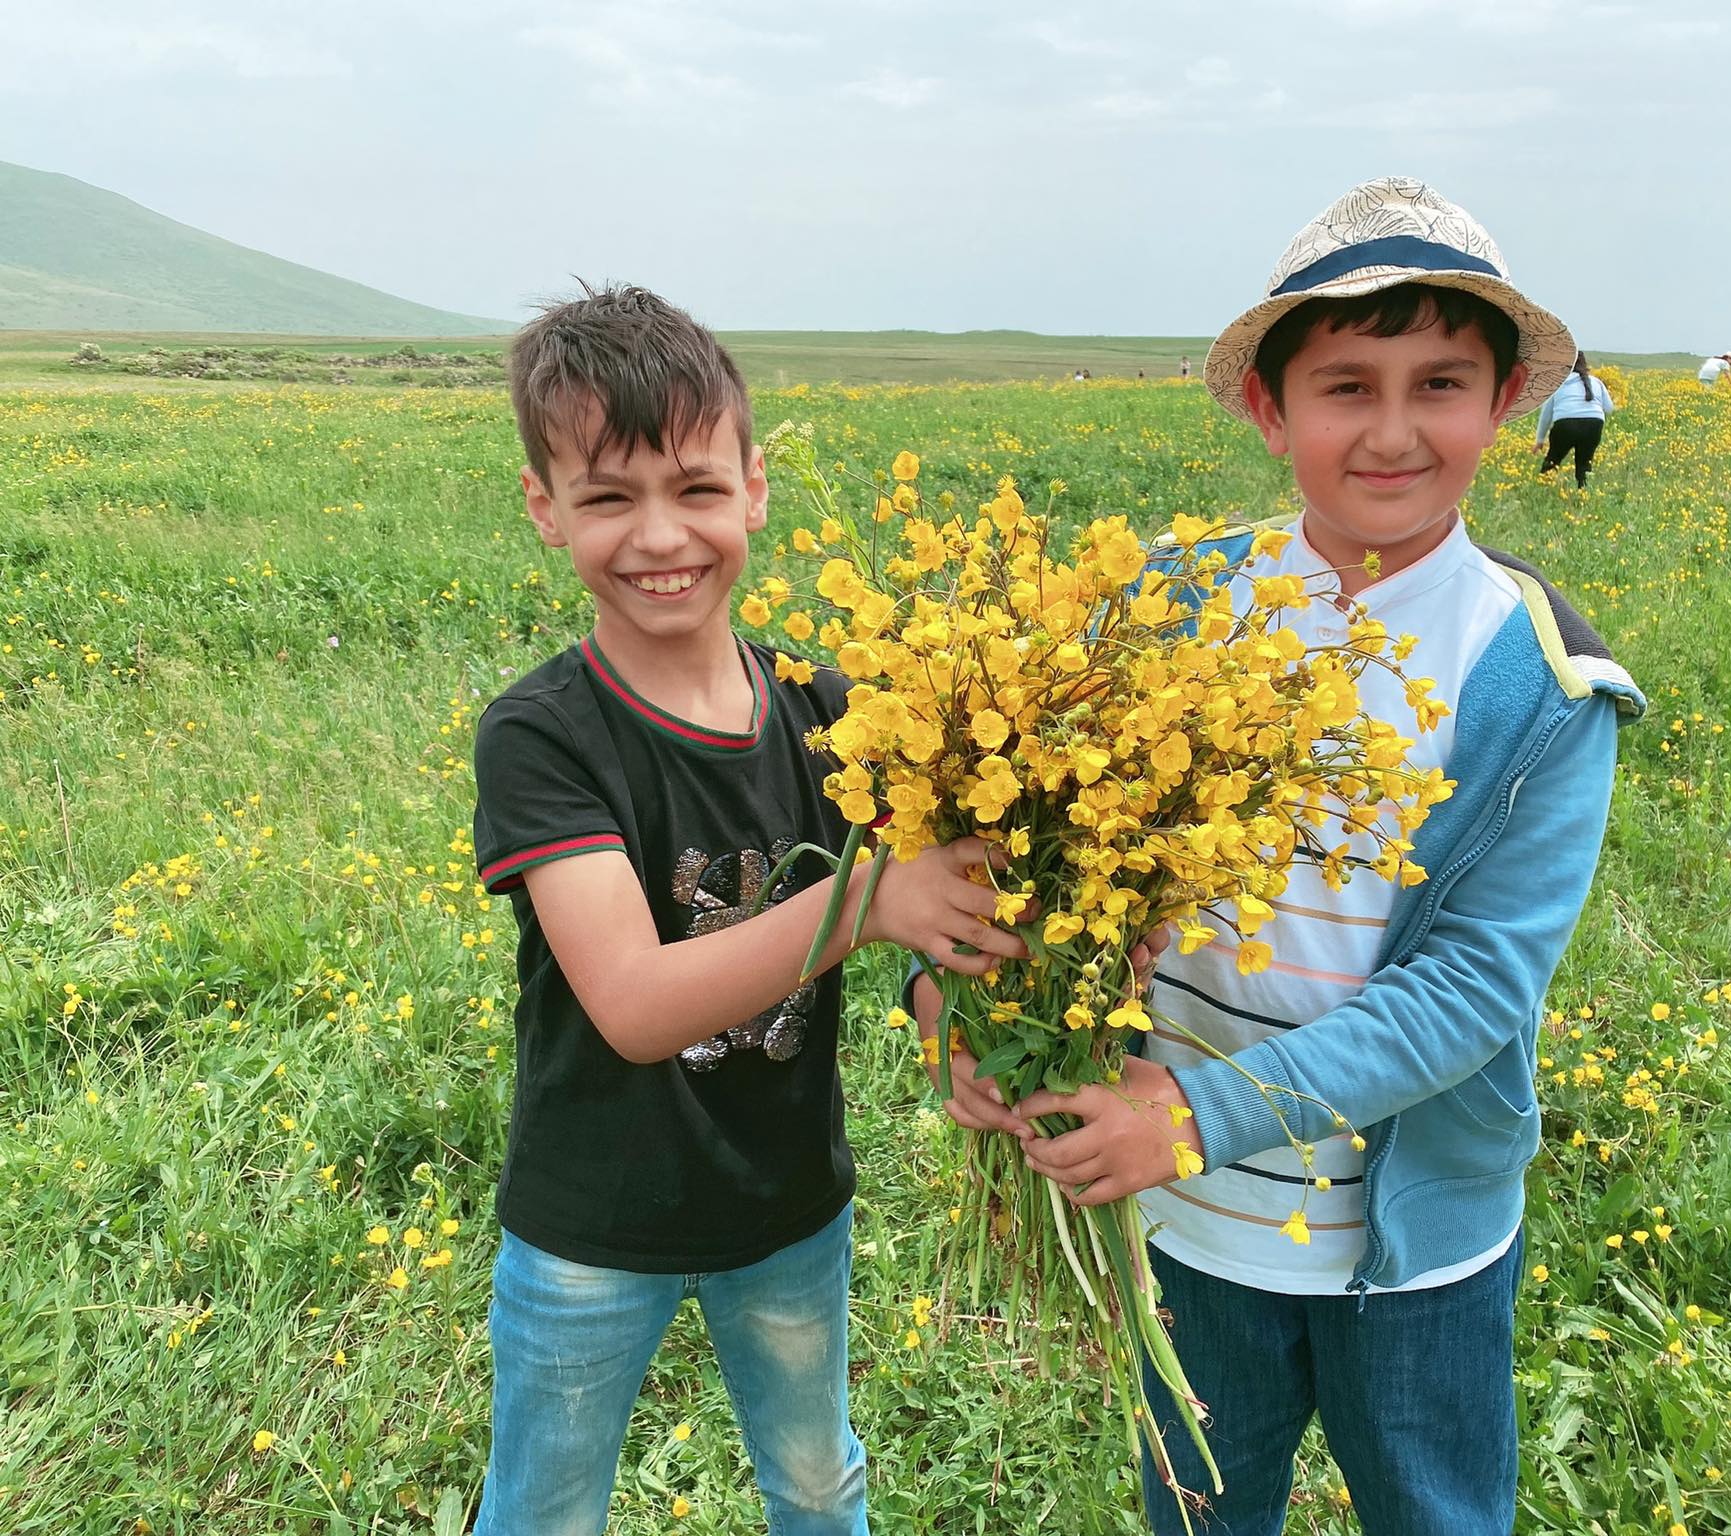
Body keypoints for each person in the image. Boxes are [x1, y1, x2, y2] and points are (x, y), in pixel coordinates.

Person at [934, 177, 1645, 1535]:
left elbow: (1474, 993)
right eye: (1344, 387)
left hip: (1417, 1250)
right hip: (1192, 1233)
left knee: (1435, 1512)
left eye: (1439, 383)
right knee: (1200, 1511)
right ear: (1271, 409)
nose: (1391, 431)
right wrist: (966, 1012)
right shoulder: (1167, 603)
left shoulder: (1542, 681)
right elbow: (1025, 853)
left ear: (1503, 405)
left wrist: (1193, 1118)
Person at [469, 283, 1027, 1536]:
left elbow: (923, 930)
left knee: (819, 1484)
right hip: (589, 1227)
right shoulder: (542, 737)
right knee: (543, 1511)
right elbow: (631, 1004)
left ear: (754, 490)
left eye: (695, 489)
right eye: (609, 497)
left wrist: (954, 1018)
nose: (659, 534)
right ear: (544, 510)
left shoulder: (832, 710)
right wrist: (872, 904)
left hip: (787, 1206)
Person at [1533, 351, 1616, 488]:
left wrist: (1540, 440)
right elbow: (1609, 408)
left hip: (1566, 425)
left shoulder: (1558, 384)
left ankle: (1543, 490)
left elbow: (1546, 414)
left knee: (1553, 460)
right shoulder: (1596, 382)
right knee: (1584, 465)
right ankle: (1583, 496)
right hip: (1594, 424)